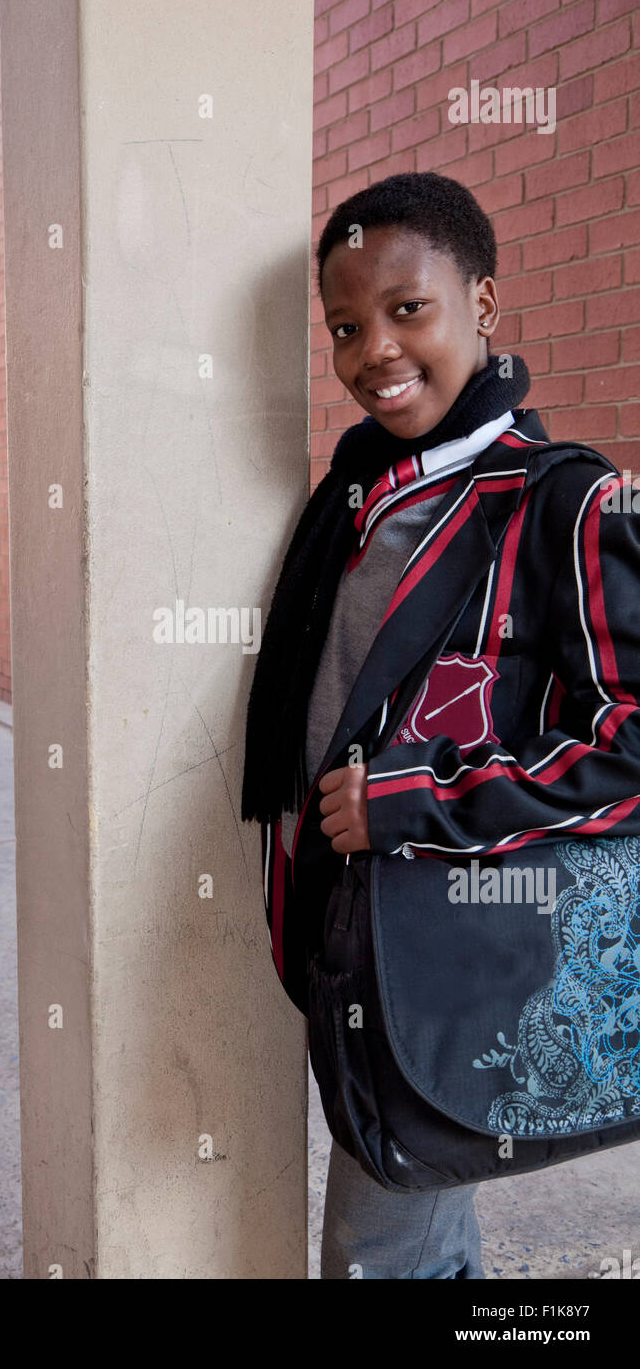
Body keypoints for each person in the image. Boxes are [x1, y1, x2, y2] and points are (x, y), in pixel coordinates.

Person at [239, 171, 640, 1279]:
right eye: (345, 326)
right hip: (351, 939)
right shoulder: (356, 498)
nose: (375, 350)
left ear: (484, 307)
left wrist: (415, 797)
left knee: (372, 1255)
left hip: (459, 962)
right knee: (428, 1206)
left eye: (406, 309)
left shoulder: (562, 502)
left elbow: (631, 746)